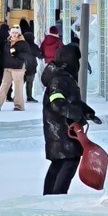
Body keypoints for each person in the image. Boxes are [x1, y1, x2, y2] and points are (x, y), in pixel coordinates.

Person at [40, 42, 100, 194]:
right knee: (68, 161)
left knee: (60, 162)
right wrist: (76, 114)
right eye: (76, 60)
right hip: (61, 130)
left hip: (62, 130)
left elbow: (72, 101)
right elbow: (57, 103)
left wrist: (87, 112)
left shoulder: (63, 77)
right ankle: (57, 195)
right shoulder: (59, 79)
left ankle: (50, 196)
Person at [0, 27, 28, 111]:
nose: (14, 35)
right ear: (10, 33)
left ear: (19, 34)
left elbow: (27, 55)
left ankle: (19, 106)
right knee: (4, 85)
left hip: (18, 67)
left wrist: (16, 54)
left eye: (16, 33)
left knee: (18, 87)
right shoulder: (7, 43)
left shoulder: (23, 43)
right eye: (12, 33)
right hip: (7, 67)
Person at [18, 18, 41, 104]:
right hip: (31, 67)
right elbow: (40, 55)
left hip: (22, 66)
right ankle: (29, 97)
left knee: (20, 82)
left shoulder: (21, 45)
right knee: (29, 83)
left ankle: (17, 95)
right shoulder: (34, 46)